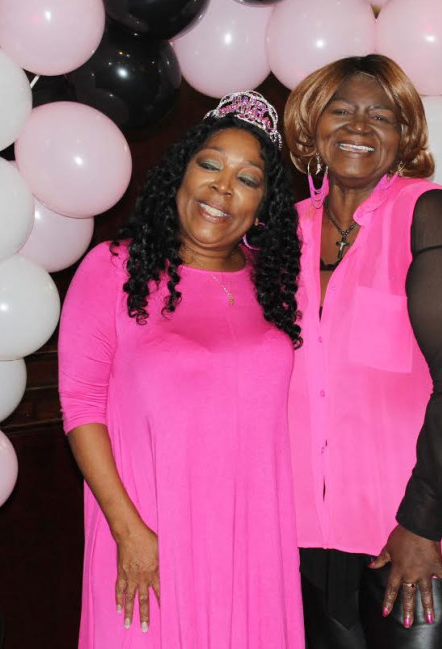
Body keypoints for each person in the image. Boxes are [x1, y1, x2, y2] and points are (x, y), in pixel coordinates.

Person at [58, 91, 305, 649]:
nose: (223, 187)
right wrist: (129, 531)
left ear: (263, 205)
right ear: (181, 174)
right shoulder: (115, 269)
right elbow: (81, 406)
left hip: (254, 536)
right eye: (211, 165)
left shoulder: (274, 282)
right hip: (150, 529)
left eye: (248, 179)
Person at [282, 55, 442, 649]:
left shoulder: (426, 212)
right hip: (310, 526)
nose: (360, 127)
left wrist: (420, 521)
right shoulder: (286, 230)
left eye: (381, 116)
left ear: (402, 137)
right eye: (343, 111)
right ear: (313, 126)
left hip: (415, 524)